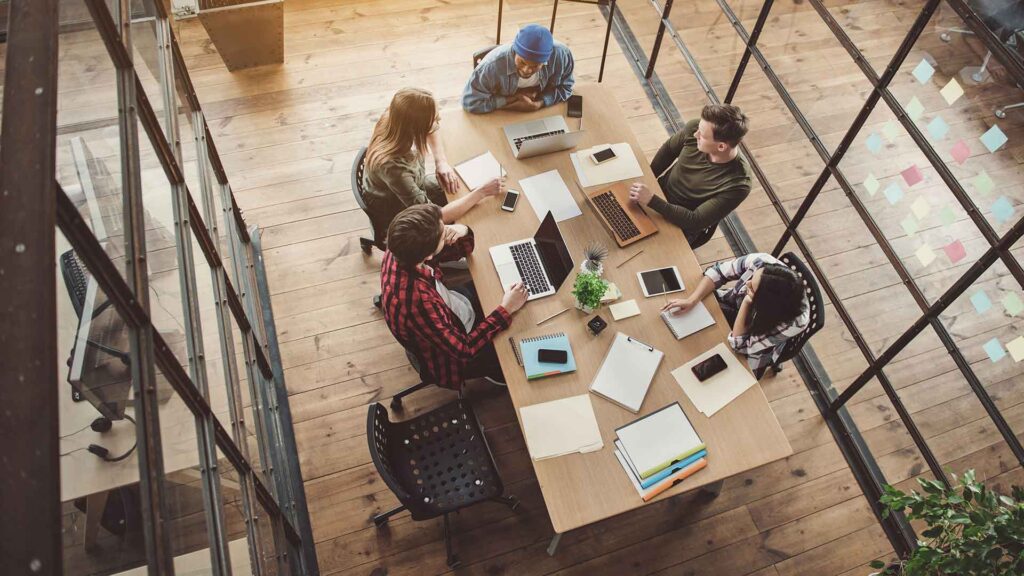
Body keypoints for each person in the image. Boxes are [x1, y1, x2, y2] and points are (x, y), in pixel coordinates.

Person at [380, 204, 529, 389]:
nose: (446, 229)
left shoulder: (401, 246)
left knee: (500, 287)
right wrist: (505, 309)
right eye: (443, 234)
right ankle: (492, 371)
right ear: (427, 255)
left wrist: (462, 229)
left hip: (452, 307)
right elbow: (464, 350)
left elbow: (462, 249)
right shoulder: (417, 302)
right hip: (454, 350)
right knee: (518, 342)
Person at [362, 87, 504, 244]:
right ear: (416, 127)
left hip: (413, 187)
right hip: (398, 212)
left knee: (460, 186)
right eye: (434, 119)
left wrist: (441, 162)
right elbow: (434, 218)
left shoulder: (395, 119)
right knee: (474, 214)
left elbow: (432, 130)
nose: (439, 121)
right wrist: (482, 192)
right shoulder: (395, 170)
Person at [663, 253, 808, 375]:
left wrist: (746, 302)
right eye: (751, 279)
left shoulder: (793, 323)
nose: (747, 284)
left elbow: (740, 345)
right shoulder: (763, 262)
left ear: (765, 303)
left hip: (755, 344)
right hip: (731, 307)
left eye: (753, 287)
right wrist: (692, 300)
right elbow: (718, 272)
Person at [627, 104, 751, 245]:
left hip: (680, 224)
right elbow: (669, 150)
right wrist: (646, 179)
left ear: (721, 146)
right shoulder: (695, 128)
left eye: (702, 135)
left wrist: (651, 200)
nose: (695, 134)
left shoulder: (738, 184)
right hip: (655, 194)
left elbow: (694, 221)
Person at [462, 24, 575, 114]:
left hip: (540, 112)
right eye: (522, 62)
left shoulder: (562, 55)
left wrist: (540, 103)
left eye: (535, 66)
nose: (526, 70)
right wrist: (510, 101)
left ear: (545, 61)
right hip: (502, 117)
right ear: (514, 51)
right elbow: (470, 102)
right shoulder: (490, 67)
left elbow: (566, 87)